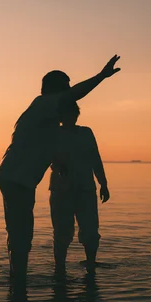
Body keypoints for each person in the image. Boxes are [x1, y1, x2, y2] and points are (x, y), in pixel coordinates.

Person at [0, 55, 121, 281]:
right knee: (21, 234)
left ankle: (18, 281)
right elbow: (74, 95)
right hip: (16, 179)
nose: (69, 90)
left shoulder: (49, 118)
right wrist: (102, 76)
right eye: (65, 87)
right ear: (54, 89)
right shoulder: (43, 103)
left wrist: (59, 162)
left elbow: (39, 143)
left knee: (21, 233)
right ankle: (18, 284)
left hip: (19, 179)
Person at [49, 101, 109, 274]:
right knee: (62, 231)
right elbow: (47, 156)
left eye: (73, 114)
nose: (70, 118)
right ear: (60, 117)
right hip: (61, 190)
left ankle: (91, 263)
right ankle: (59, 267)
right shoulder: (54, 134)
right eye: (67, 114)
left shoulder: (86, 133)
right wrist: (58, 165)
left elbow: (95, 158)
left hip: (85, 189)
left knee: (90, 229)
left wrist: (103, 183)